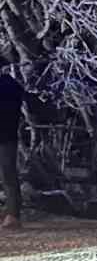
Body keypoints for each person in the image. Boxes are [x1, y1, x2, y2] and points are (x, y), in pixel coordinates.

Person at [0, 55, 49, 230]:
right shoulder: (13, 85)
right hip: (8, 135)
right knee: (8, 175)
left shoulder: (8, 86)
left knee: (8, 175)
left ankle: (13, 214)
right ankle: (13, 214)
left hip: (5, 135)